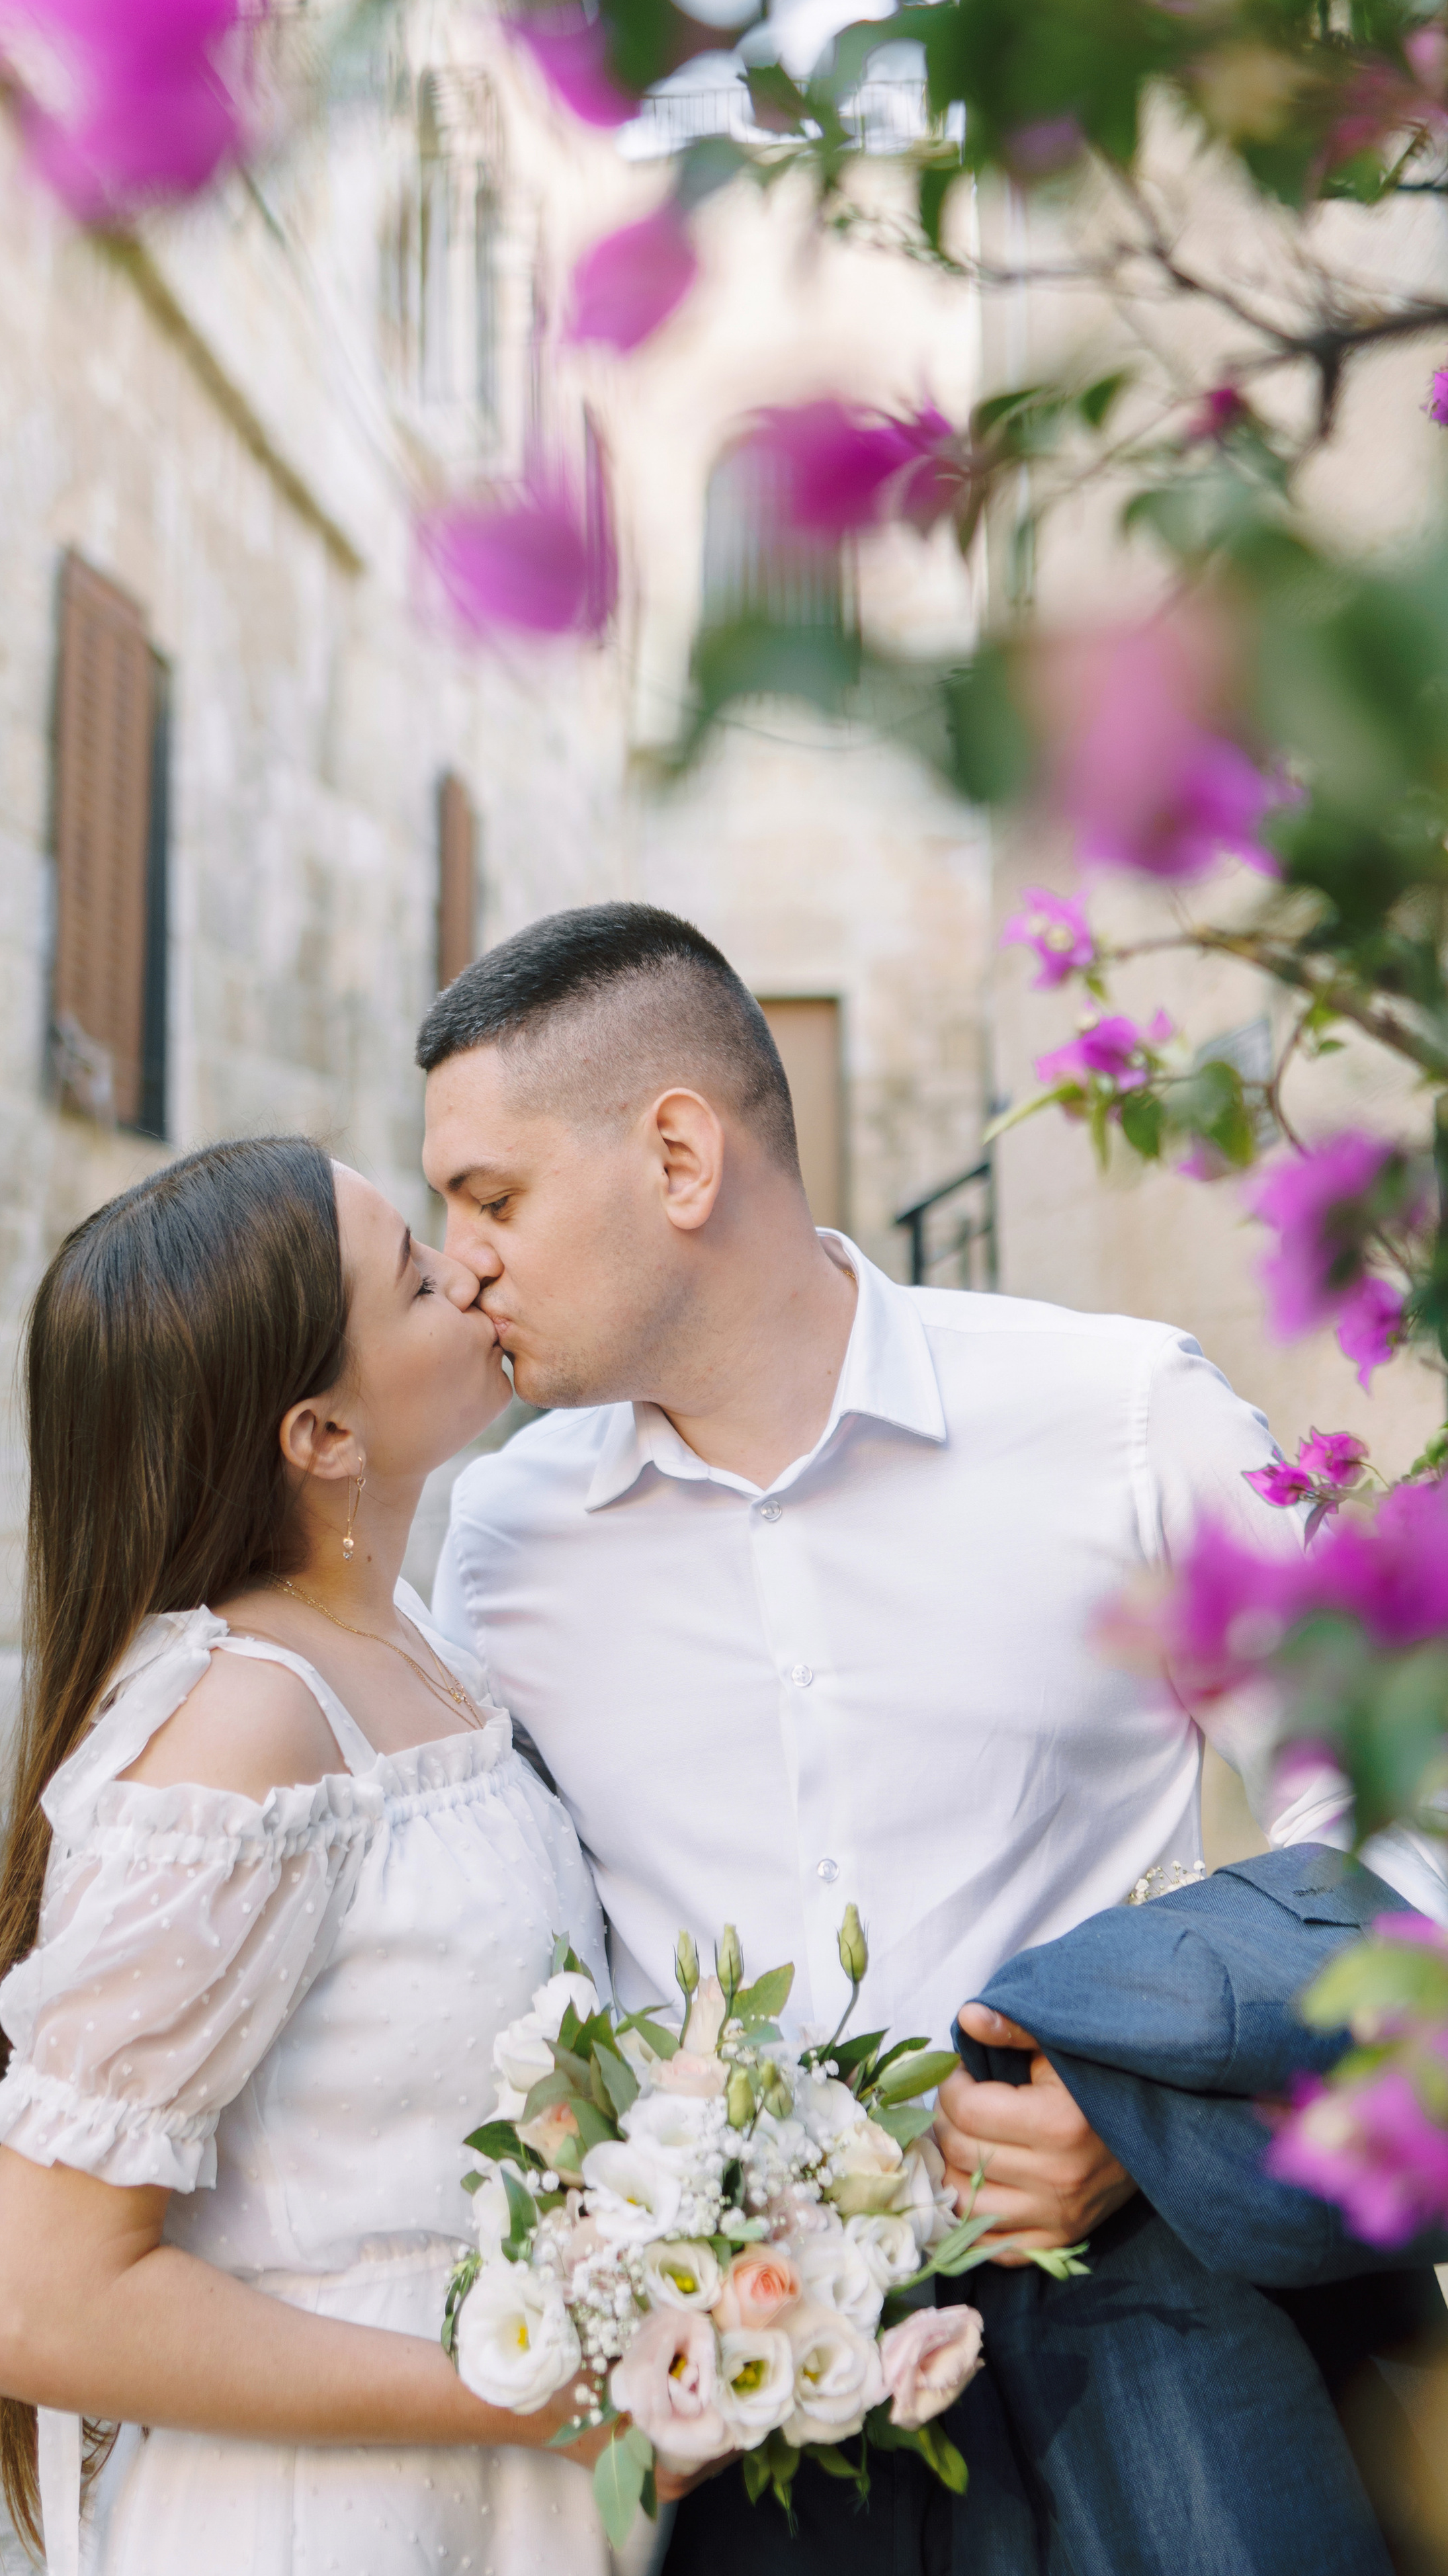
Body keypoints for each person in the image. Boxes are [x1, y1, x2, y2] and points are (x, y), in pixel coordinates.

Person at [419, 902, 1448, 2574]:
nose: (458, 1261)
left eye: (492, 1198)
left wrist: (1158, 2120)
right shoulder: (503, 1539)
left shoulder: (1119, 1420)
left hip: (1147, 2383)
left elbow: (1404, 1833)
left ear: (678, 1157)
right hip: (744, 2443)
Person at [0, 1135, 654, 2576]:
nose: (466, 1272)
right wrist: (524, 2399)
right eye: (412, 1278)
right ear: (320, 1434)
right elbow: (42, 2308)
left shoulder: (420, 1653)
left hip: (503, 2493)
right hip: (328, 2513)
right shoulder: (243, 1729)